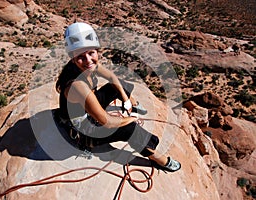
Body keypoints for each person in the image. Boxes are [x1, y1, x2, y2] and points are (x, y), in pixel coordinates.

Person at [56, 22, 181, 172]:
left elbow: (112, 77)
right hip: (83, 131)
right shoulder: (77, 86)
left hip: (88, 108)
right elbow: (107, 122)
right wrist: (130, 119)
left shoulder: (89, 66)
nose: (88, 60)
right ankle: (159, 159)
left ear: (97, 51)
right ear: (73, 58)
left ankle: (134, 105)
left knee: (122, 85)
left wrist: (127, 101)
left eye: (91, 53)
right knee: (130, 129)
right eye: (81, 57)